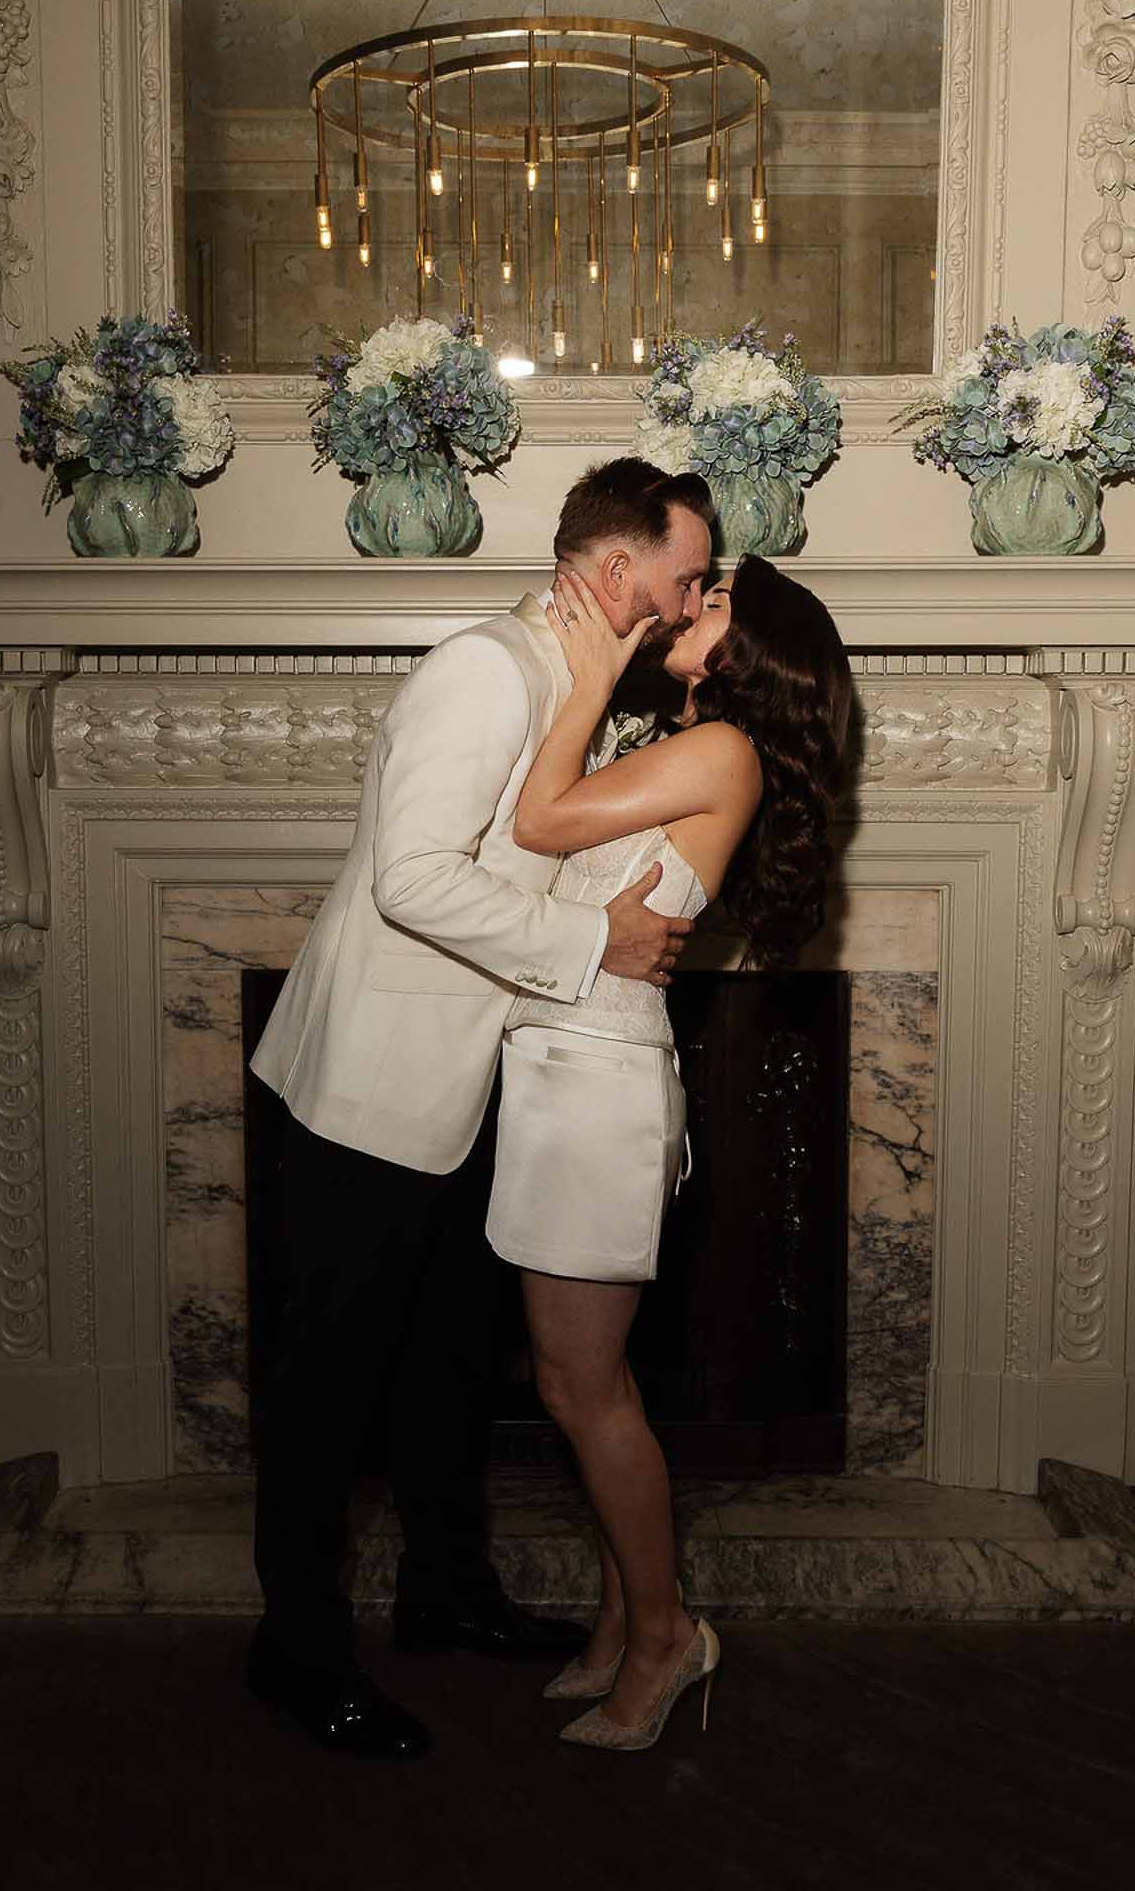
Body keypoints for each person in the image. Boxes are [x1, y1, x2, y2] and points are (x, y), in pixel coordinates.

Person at [246, 457, 715, 1758]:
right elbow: (412, 882)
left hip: (474, 1089)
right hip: (368, 1086)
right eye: (682, 579)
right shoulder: (482, 671)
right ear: (616, 574)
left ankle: (445, 1595)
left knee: (447, 1368)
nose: (690, 604)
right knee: (328, 1386)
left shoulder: (578, 698)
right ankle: (294, 1649)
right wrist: (596, 950)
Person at [487, 550, 853, 1751]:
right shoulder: (694, 737)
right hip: (571, 1066)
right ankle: (616, 1622)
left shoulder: (721, 748)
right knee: (593, 1386)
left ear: (754, 652)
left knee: (580, 1389)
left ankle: (664, 1639)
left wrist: (588, 672)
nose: (694, 602)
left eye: (720, 599)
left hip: (594, 1080)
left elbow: (538, 820)